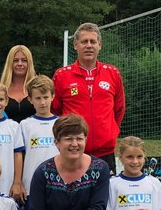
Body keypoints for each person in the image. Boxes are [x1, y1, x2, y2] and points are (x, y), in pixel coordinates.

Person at [51, 22, 125, 174]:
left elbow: (119, 109)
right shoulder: (62, 75)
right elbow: (56, 110)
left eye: (93, 41)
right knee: (72, 196)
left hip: (105, 153)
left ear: (100, 45)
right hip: (73, 150)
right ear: (75, 45)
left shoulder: (113, 73)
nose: (89, 45)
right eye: (84, 41)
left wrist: (109, 132)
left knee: (104, 197)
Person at [19, 75, 60, 210]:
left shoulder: (61, 123)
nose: (42, 102)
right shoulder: (25, 125)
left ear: (52, 96)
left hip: (59, 186)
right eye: (38, 98)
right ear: (30, 99)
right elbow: (21, 156)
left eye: (46, 97)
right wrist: (21, 182)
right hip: (32, 186)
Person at [0, 45, 37, 123]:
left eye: (24, 60)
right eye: (15, 60)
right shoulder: (0, 89)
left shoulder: (37, 88)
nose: (20, 64)